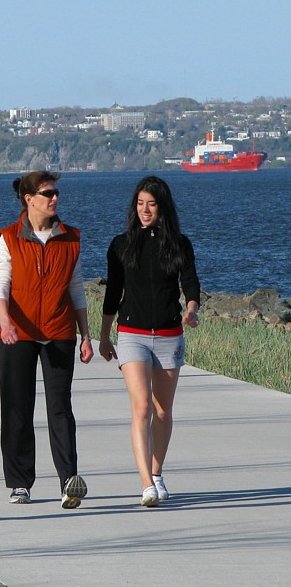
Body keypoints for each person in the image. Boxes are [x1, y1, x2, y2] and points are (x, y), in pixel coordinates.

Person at [0, 170, 94, 509]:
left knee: (60, 409)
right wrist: (5, 323)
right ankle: (20, 483)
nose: (55, 198)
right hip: (17, 335)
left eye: (56, 192)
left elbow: (76, 289)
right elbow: (1, 287)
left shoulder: (71, 238)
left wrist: (86, 335)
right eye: (48, 193)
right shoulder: (9, 237)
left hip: (58, 332)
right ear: (29, 199)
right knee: (17, 409)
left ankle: (69, 481)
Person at [99, 175, 200, 507]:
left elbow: (191, 282)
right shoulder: (121, 245)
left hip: (170, 334)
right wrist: (103, 334)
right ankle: (146, 484)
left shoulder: (180, 244)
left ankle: (157, 473)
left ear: (162, 207)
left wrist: (192, 309)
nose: (145, 210)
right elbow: (113, 292)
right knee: (142, 406)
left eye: (151, 204)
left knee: (163, 410)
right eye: (140, 204)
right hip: (131, 334)